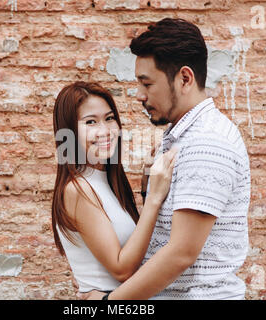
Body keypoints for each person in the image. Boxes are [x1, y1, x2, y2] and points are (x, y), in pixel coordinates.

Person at [87, 18, 251, 300]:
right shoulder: (182, 135)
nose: (139, 95)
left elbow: (181, 253)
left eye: (147, 84)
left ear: (184, 79)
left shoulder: (207, 143)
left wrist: (108, 304)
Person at [51, 81, 178, 295]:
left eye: (109, 119)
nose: (105, 131)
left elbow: (138, 251)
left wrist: (146, 190)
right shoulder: (78, 189)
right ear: (69, 132)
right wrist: (155, 198)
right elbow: (122, 270)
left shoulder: (106, 182)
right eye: (90, 122)